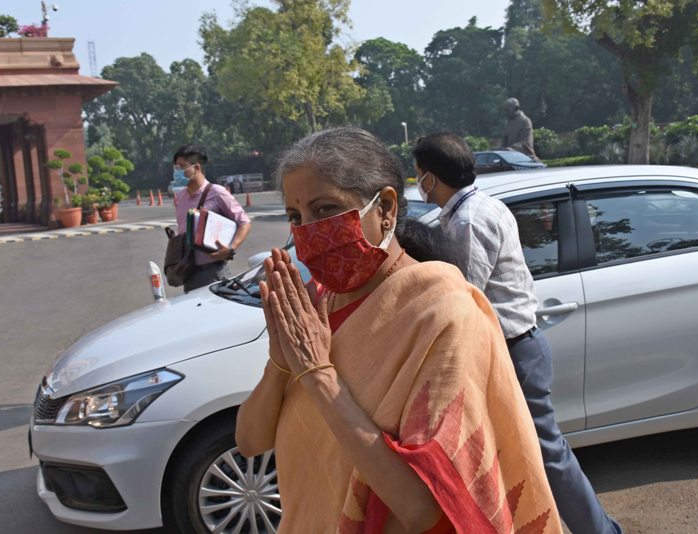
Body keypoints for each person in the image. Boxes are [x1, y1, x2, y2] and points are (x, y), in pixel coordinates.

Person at [236, 127, 561, 533]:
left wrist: (319, 375)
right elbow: (250, 442)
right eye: (295, 216)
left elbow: (421, 506)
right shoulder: (317, 305)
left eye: (324, 210)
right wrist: (282, 361)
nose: (307, 232)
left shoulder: (442, 310)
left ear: (385, 207)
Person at [412, 132, 623, 534]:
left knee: (546, 455)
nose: (416, 180)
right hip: (514, 346)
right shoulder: (477, 207)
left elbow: (464, 297)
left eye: (418, 173)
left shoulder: (469, 221)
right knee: (513, 455)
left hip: (513, 350)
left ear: (431, 178)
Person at [172, 145, 252, 292]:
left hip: (213, 272)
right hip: (189, 272)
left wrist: (230, 249)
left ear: (196, 167)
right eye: (175, 167)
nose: (177, 172)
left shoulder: (217, 192)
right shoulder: (180, 198)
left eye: (181, 167)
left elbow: (244, 222)